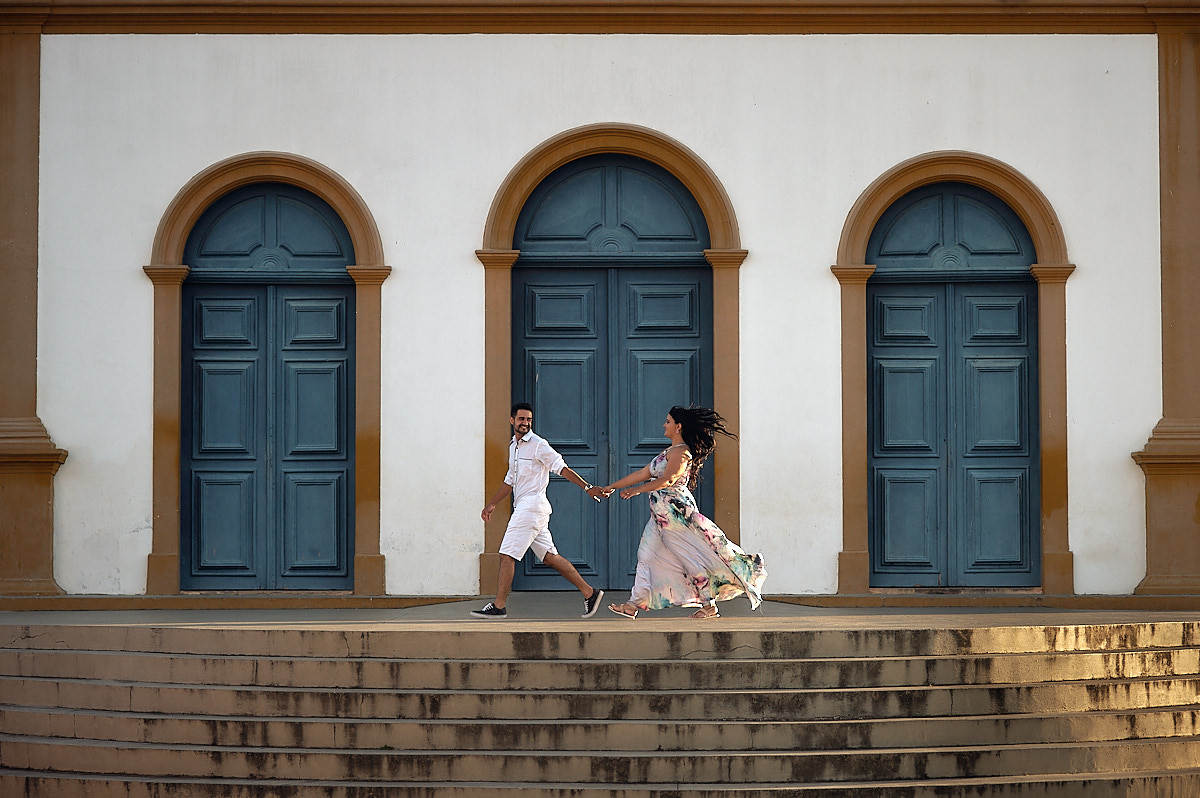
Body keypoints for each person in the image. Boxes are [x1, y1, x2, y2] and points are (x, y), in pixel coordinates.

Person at [600, 406, 766, 619]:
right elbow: (644, 472)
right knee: (645, 555)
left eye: (668, 421)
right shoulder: (668, 452)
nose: (664, 425)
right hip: (660, 517)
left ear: (678, 426)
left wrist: (636, 491)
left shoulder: (682, 452)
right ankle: (633, 605)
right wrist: (612, 486)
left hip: (676, 515)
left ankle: (709, 605)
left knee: (688, 558)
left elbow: (669, 479)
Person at [472, 402, 606, 619]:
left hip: (531, 507)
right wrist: (492, 503)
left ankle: (499, 606)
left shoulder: (538, 444)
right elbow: (510, 480)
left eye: (529, 420)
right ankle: (590, 593)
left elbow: (562, 467)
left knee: (507, 555)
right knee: (550, 558)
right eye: (521, 419)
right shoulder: (513, 446)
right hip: (531, 509)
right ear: (512, 420)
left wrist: (588, 487)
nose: (525, 423)